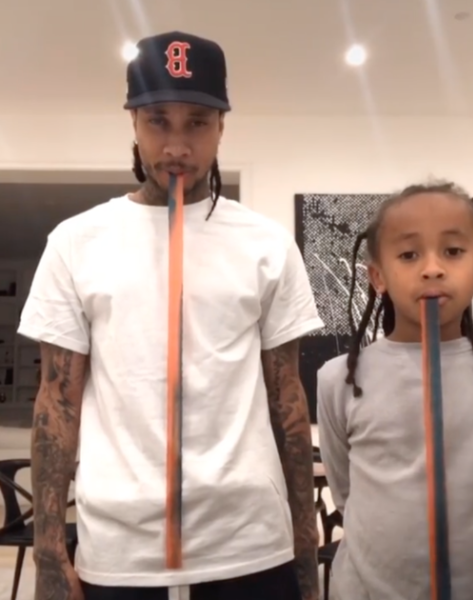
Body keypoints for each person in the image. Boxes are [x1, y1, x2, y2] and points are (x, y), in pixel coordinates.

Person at [19, 31, 323, 600]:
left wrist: (305, 542)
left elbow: (286, 395)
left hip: (249, 540)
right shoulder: (76, 242)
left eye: (197, 123)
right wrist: (49, 551)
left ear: (221, 126)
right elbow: (57, 400)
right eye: (159, 121)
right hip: (120, 548)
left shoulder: (267, 244)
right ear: (133, 122)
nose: (177, 146)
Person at [317, 180, 473, 600]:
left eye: (453, 251)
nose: (432, 269)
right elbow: (347, 493)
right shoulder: (340, 380)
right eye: (409, 255)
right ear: (378, 276)